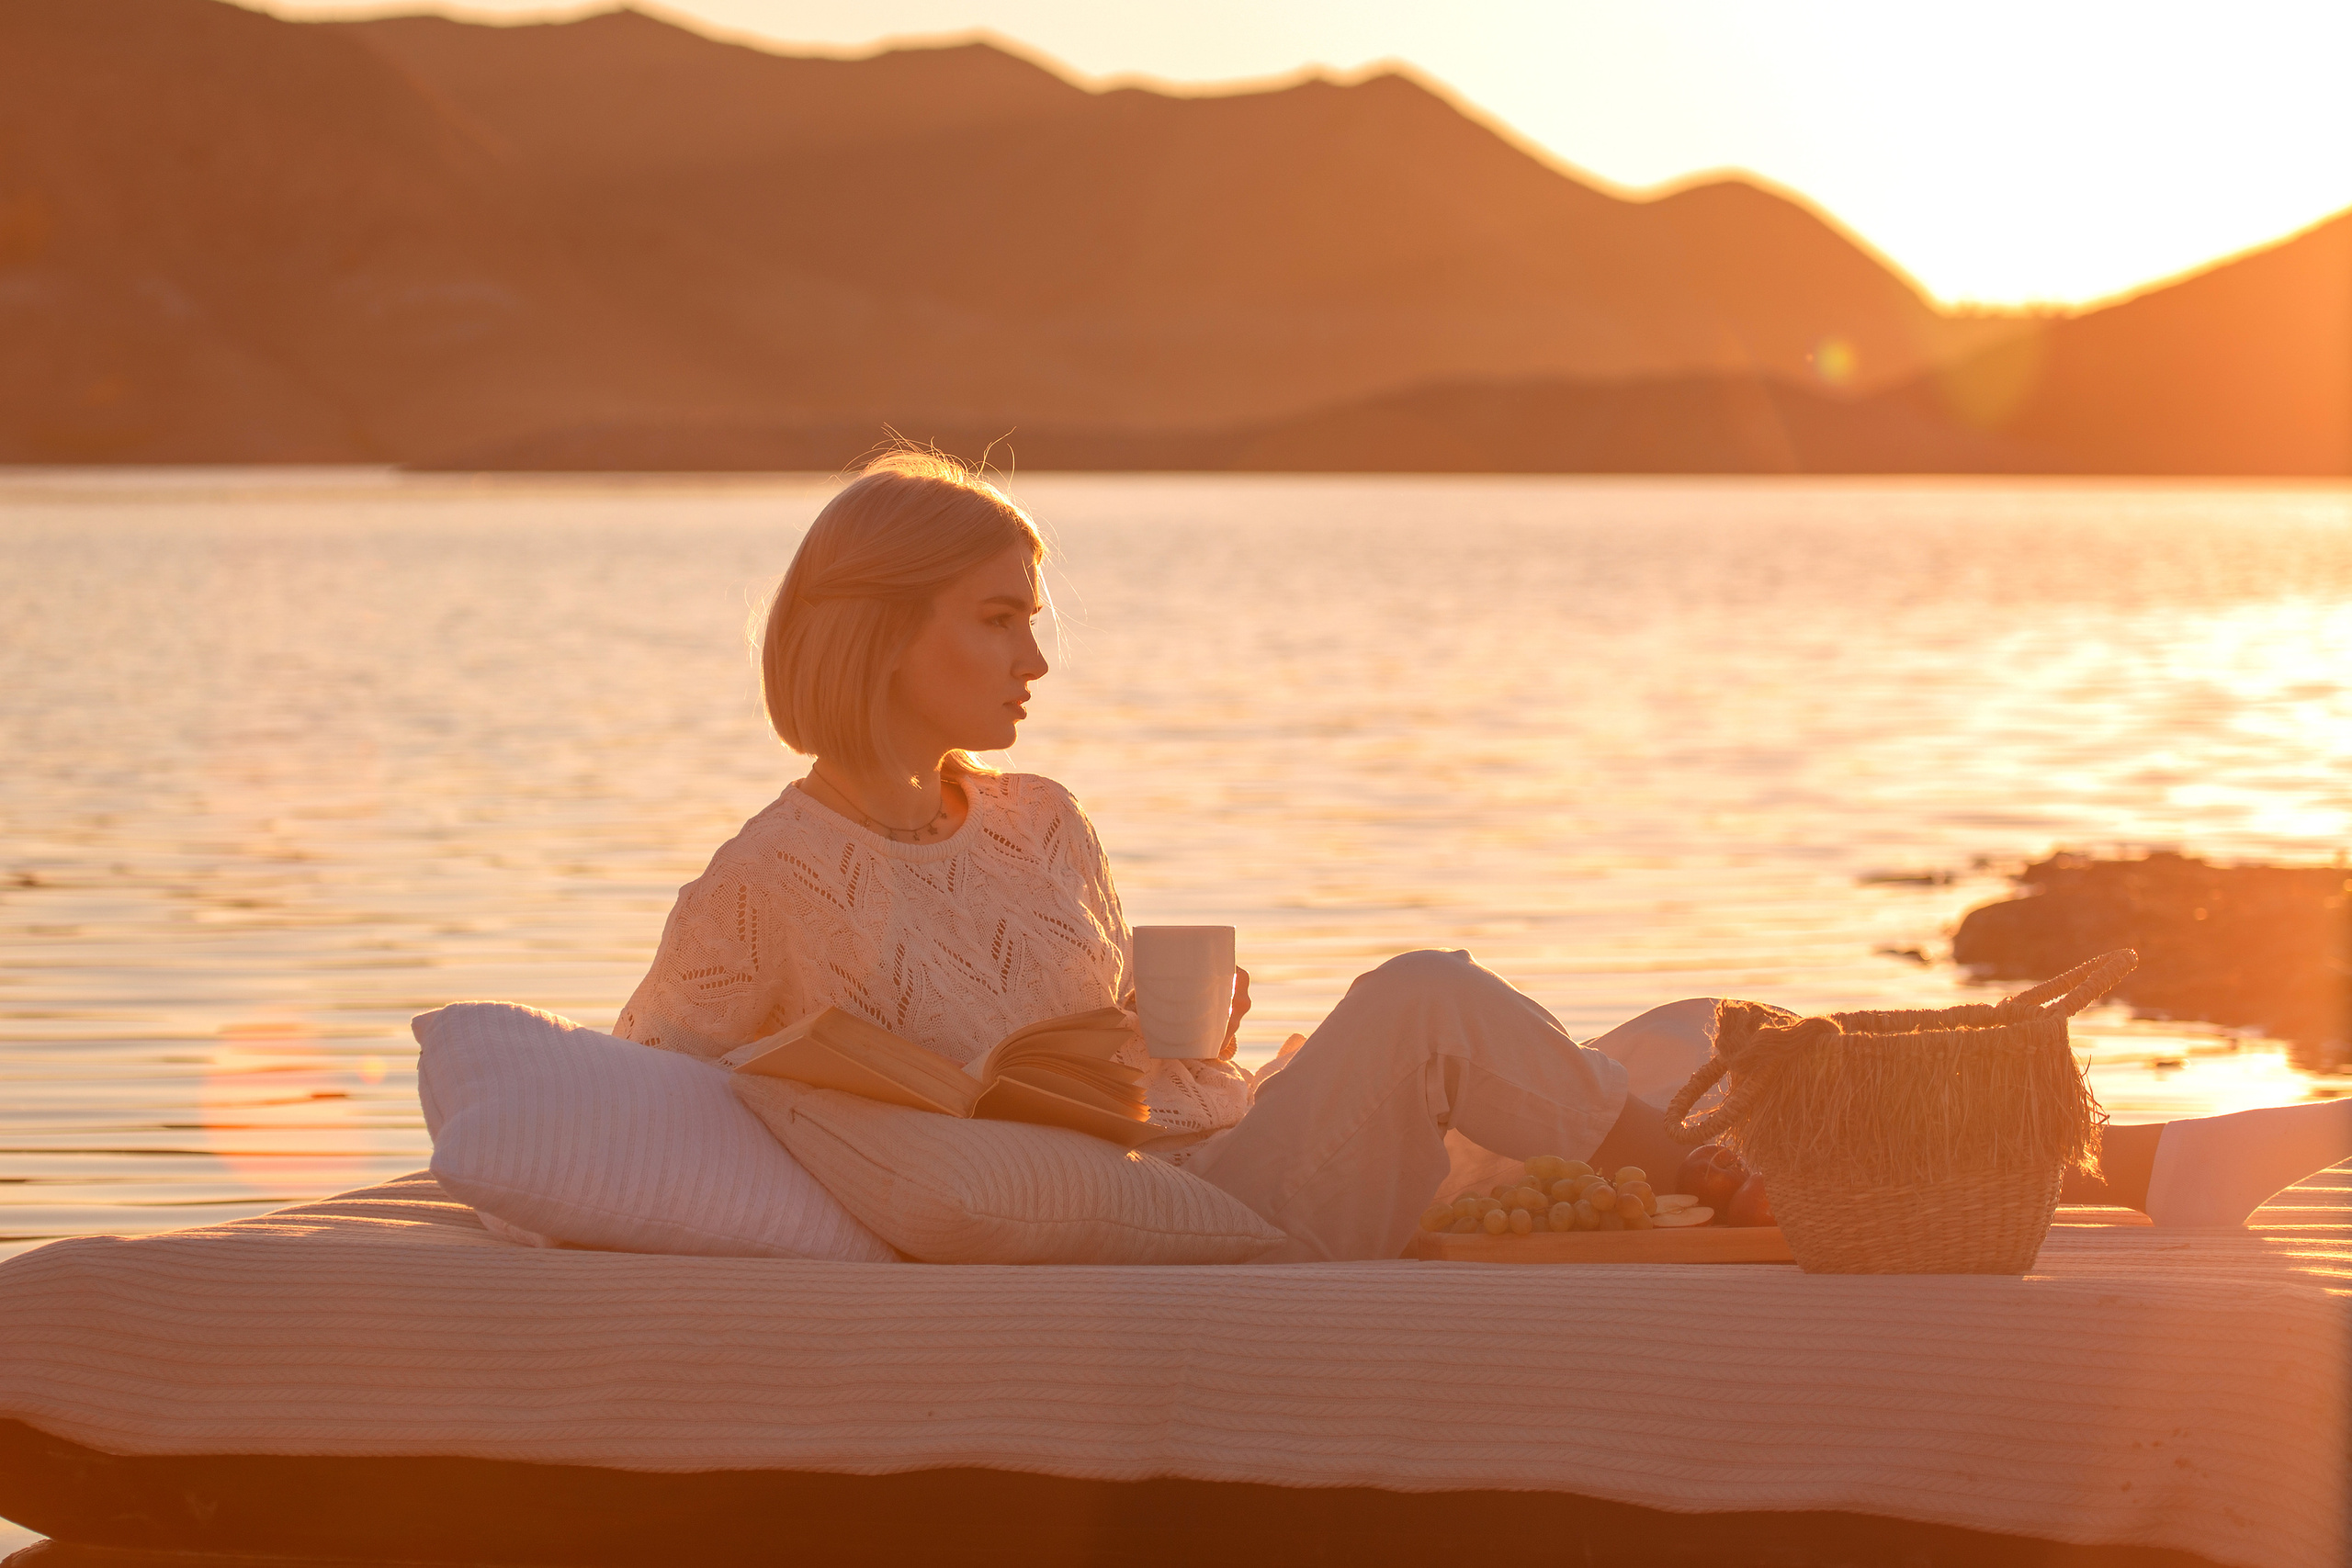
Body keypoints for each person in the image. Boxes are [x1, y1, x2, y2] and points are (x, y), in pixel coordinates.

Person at [616, 450, 2352, 1261]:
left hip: (1229, 1140)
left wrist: (1192, 1046)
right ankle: (1742, 1185)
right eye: (998, 620)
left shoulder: (1042, 819)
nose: (1036, 663)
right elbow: (645, 1093)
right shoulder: (764, 884)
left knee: (1689, 1030)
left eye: (1033, 619)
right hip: (1186, 1223)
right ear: (878, 629)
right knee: (1430, 997)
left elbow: (1123, 1059)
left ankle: (2127, 1168)